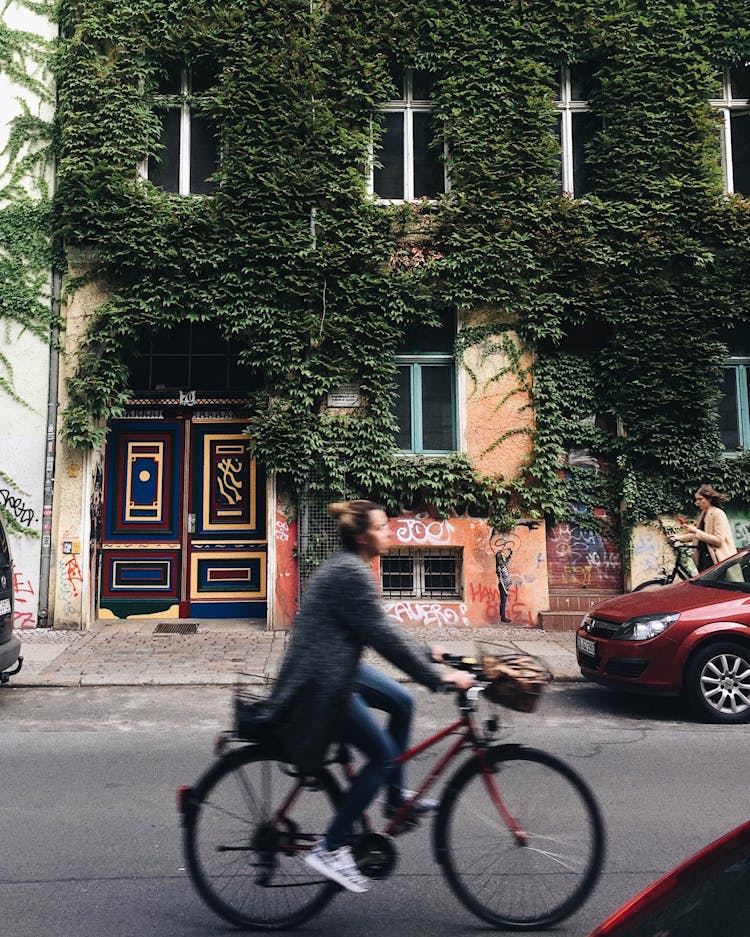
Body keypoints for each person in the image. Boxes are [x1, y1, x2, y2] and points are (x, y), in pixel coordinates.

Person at [266, 500, 474, 894]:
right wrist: (439, 676)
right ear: (363, 537)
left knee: (402, 702)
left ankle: (394, 798)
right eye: (382, 528)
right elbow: (382, 637)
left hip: (333, 667)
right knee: (382, 755)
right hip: (322, 683)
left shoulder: (353, 567)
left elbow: (382, 627)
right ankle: (329, 848)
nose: (390, 533)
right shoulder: (350, 572)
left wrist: (427, 652)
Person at [669, 484, 737, 572]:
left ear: (709, 499)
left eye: (700, 499)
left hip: (716, 559)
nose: (697, 502)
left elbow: (719, 540)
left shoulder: (717, 513)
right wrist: (678, 537)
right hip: (704, 557)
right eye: (696, 499)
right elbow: (699, 535)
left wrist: (696, 531)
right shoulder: (704, 513)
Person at [494, 542, 513, 623]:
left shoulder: (504, 565)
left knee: (504, 601)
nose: (504, 557)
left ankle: (503, 617)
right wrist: (505, 589)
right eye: (502, 556)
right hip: (503, 586)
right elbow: (500, 579)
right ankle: (503, 617)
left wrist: (511, 552)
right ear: (500, 558)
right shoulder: (499, 568)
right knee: (503, 602)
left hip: (506, 586)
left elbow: (508, 559)